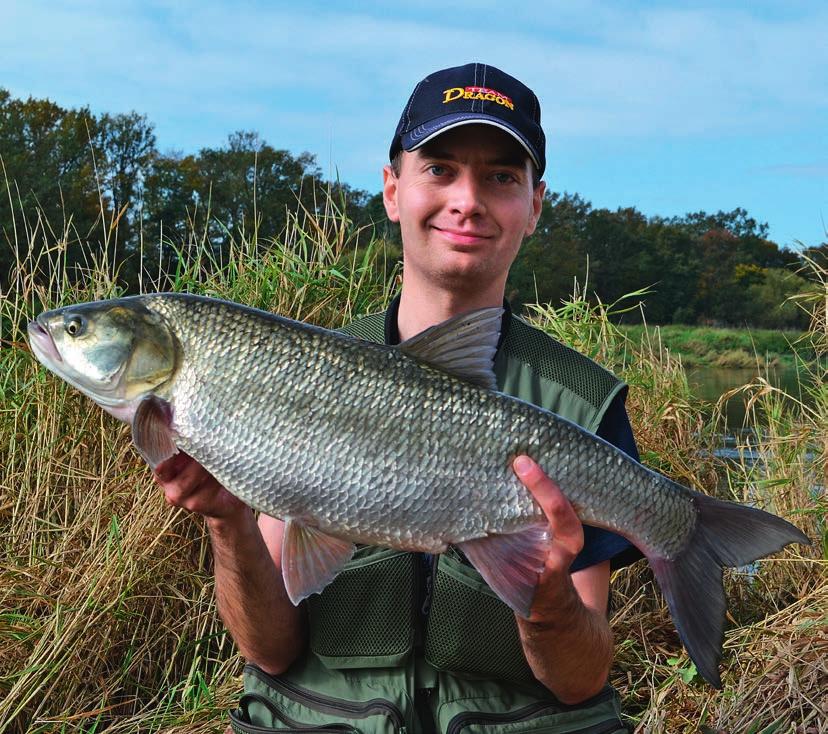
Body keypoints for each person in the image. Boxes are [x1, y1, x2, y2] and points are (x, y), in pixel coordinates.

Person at [155, 63, 639, 733]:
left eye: (501, 177)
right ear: (392, 190)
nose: (467, 200)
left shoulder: (583, 405)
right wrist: (229, 522)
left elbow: (581, 679)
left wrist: (546, 595)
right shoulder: (302, 370)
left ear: (534, 206)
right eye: (439, 169)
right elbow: (268, 649)